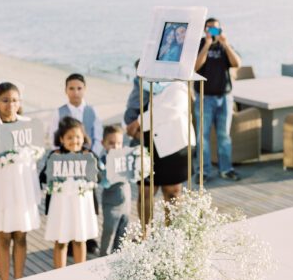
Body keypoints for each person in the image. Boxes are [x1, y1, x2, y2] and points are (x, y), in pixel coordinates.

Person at [0, 82, 42, 280]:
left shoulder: (28, 124)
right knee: (4, 237)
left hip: (23, 188)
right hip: (1, 190)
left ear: (19, 102)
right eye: (5, 100)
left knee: (21, 236)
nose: (10, 104)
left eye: (14, 100)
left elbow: (38, 152)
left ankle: (19, 279)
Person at [124, 65, 194, 225]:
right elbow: (130, 109)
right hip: (147, 145)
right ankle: (145, 234)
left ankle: (172, 235)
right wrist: (132, 128)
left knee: (173, 193)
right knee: (146, 191)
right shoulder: (141, 82)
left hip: (174, 147)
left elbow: (169, 111)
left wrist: (139, 122)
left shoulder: (179, 86)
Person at [40, 116, 99, 268]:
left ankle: (80, 272)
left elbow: (98, 176)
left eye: (78, 137)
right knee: (61, 239)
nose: (74, 141)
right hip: (61, 204)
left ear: (83, 137)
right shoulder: (55, 156)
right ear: (61, 139)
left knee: (80, 239)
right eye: (69, 137)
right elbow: (44, 177)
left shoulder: (88, 155)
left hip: (81, 204)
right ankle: (60, 274)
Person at [193, 17, 242, 182]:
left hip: (224, 98)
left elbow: (237, 64)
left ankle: (226, 169)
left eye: (215, 29)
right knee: (203, 137)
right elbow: (195, 67)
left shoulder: (224, 45)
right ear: (204, 30)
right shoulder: (199, 45)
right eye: (209, 28)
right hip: (204, 98)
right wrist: (207, 44)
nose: (212, 32)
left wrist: (226, 44)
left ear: (221, 29)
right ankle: (203, 171)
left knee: (224, 136)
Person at [98, 124, 132, 255]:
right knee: (109, 231)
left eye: (119, 143)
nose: (116, 146)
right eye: (111, 143)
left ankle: (119, 256)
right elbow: (104, 182)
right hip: (111, 202)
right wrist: (107, 169)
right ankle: (103, 256)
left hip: (126, 200)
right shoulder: (102, 161)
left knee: (123, 230)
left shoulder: (125, 156)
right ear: (103, 144)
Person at [51, 73, 104, 157]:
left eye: (79, 88)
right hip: (65, 157)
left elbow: (98, 138)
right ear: (66, 90)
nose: (75, 92)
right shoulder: (58, 112)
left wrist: (92, 156)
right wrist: (60, 156)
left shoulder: (93, 111)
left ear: (85, 89)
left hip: (89, 157)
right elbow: (53, 138)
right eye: (71, 88)